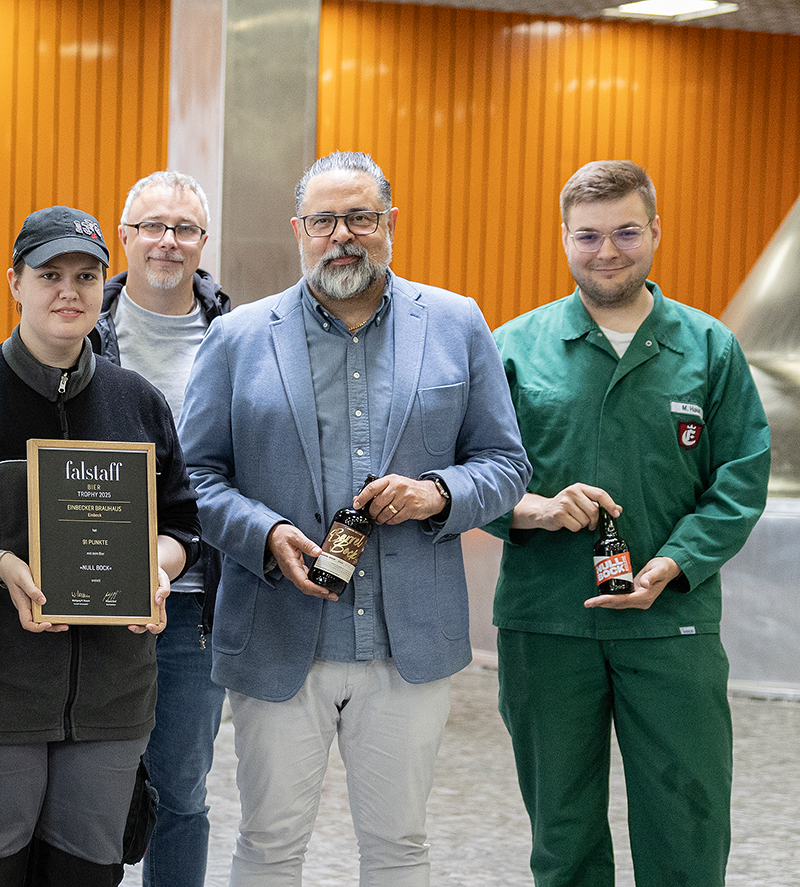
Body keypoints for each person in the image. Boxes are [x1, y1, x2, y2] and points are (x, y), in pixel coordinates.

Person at [177, 151, 529, 885]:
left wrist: (439, 493)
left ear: (390, 223)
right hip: (277, 633)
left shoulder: (457, 323)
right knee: (268, 844)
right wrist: (266, 534)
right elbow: (193, 479)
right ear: (299, 231)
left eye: (361, 218)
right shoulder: (238, 336)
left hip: (409, 643)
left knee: (400, 845)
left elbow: (505, 464)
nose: (343, 235)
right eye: (325, 221)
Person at [0, 205, 200, 887]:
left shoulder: (138, 404)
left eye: (86, 276)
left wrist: (155, 568)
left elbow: (182, 525)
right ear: (15, 282)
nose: (69, 291)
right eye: (50, 274)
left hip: (109, 704)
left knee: (85, 877)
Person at [487, 160, 769, 887]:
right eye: (588, 236)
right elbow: (470, 476)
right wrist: (537, 508)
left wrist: (674, 563)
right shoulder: (512, 348)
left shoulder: (709, 348)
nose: (606, 251)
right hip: (548, 623)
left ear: (656, 231)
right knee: (562, 833)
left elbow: (741, 479)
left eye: (625, 233)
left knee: (688, 825)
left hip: (671, 624)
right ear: (564, 238)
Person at [90, 170, 233, 887]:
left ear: (203, 241)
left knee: (181, 792)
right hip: (91, 596)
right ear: (125, 236)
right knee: (87, 788)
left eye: (183, 228)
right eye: (152, 225)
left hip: (194, 605)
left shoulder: (236, 337)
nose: (166, 241)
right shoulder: (82, 327)